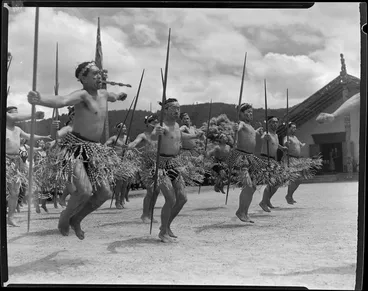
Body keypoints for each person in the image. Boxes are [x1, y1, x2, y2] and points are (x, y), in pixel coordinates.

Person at [27, 60, 130, 240]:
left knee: (105, 193)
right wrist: (40, 99)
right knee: (84, 190)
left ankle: (77, 219)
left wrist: (120, 95)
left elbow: (113, 95)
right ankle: (65, 217)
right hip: (74, 148)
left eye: (100, 73)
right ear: (83, 78)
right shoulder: (81, 95)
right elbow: (62, 100)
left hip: (94, 150)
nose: (100, 76)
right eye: (95, 74)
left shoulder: (105, 94)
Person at [141, 98, 204, 243]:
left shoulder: (176, 125)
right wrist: (155, 133)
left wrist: (195, 135)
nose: (177, 111)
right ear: (165, 110)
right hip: (160, 166)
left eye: (179, 108)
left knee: (182, 198)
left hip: (173, 164)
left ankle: (166, 226)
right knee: (171, 198)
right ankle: (163, 231)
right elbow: (151, 139)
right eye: (174, 108)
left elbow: (180, 136)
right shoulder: (160, 126)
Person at [6, 106, 50, 226]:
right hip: (4, 161)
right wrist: (33, 115)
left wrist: (42, 137)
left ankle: (10, 217)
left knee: (15, 192)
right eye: (14, 114)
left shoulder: (18, 129)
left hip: (15, 162)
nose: (16, 116)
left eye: (17, 114)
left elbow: (29, 136)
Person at [226, 103, 268, 223]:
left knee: (253, 186)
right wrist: (235, 128)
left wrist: (257, 131)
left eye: (251, 112)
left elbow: (249, 134)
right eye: (248, 112)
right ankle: (241, 211)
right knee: (248, 186)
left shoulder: (249, 126)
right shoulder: (242, 123)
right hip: (241, 157)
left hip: (250, 158)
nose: (250, 114)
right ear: (241, 114)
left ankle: (244, 212)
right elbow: (239, 128)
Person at [126, 113, 159, 223]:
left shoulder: (159, 134)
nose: (155, 123)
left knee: (157, 191)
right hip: (146, 164)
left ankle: (150, 214)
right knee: (150, 190)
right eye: (152, 121)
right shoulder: (143, 135)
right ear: (147, 123)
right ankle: (145, 215)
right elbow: (135, 142)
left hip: (158, 163)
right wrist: (130, 146)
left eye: (156, 121)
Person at [282, 122, 323, 204]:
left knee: (300, 179)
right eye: (293, 127)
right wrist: (287, 144)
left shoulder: (295, 137)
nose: (294, 129)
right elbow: (285, 143)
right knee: (294, 178)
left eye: (295, 127)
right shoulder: (287, 137)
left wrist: (302, 144)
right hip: (290, 159)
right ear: (288, 129)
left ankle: (289, 195)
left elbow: (299, 144)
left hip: (297, 160)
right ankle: (289, 196)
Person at [258, 116, 290, 212]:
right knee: (273, 181)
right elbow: (263, 137)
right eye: (272, 122)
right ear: (268, 124)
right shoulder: (266, 134)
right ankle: (263, 202)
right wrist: (264, 137)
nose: (275, 124)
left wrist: (282, 148)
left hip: (272, 160)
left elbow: (275, 143)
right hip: (265, 159)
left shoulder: (275, 135)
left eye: (276, 122)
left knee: (278, 181)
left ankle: (267, 200)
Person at [105, 123, 131, 209]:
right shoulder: (114, 138)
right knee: (119, 182)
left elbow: (130, 147)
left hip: (125, 161)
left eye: (125, 127)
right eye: (122, 127)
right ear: (118, 129)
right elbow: (105, 145)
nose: (124, 128)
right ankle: (117, 201)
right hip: (117, 162)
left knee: (125, 183)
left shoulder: (127, 138)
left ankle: (122, 199)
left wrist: (129, 149)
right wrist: (110, 151)